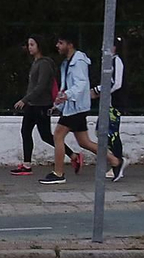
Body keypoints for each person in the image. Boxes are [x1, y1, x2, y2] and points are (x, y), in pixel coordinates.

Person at [41, 34, 121, 184]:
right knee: (84, 142)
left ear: (70, 44)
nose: (57, 46)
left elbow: (81, 84)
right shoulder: (68, 62)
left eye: (61, 42)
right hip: (74, 106)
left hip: (76, 107)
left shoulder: (78, 61)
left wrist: (67, 95)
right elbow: (68, 86)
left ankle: (58, 173)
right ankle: (115, 161)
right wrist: (59, 102)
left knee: (58, 136)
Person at [9, 36, 58, 176]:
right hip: (32, 105)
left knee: (46, 136)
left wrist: (25, 99)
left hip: (41, 105)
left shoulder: (44, 64)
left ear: (39, 46)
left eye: (32, 44)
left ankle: (72, 155)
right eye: (29, 44)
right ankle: (26, 164)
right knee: (25, 131)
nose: (29, 47)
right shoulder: (36, 62)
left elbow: (41, 86)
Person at [92, 36, 127, 181]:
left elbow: (115, 83)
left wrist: (97, 90)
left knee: (111, 134)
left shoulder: (116, 61)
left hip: (114, 105)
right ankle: (116, 161)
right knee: (101, 131)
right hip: (108, 104)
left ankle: (117, 163)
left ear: (114, 47)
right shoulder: (109, 62)